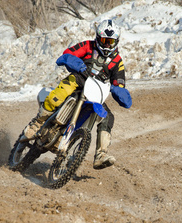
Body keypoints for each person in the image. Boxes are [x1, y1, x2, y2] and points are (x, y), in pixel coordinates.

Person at [22, 19, 132, 170]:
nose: (107, 45)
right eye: (105, 41)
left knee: (108, 117)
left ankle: (101, 154)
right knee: (62, 91)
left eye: (111, 42)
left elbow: (120, 85)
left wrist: (118, 90)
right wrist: (79, 66)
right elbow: (66, 55)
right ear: (99, 38)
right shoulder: (88, 46)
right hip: (78, 82)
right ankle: (38, 122)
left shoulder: (117, 62)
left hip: (95, 94)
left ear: (116, 42)